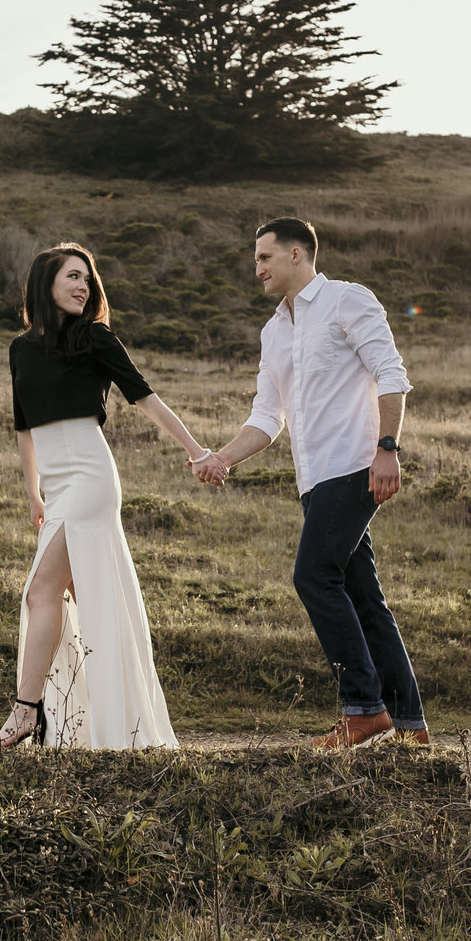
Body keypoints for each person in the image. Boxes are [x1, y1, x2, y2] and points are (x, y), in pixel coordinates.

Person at [191, 217, 427, 749]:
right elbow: (267, 417)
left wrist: (388, 449)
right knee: (363, 595)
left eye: (265, 258)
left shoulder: (348, 300)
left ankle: (364, 709)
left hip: (355, 465)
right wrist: (222, 458)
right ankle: (411, 726)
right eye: (256, 260)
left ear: (297, 254)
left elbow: (392, 375)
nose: (257, 269)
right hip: (314, 480)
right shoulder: (273, 332)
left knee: (313, 576)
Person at [0, 241, 209, 751]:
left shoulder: (95, 338)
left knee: (41, 592)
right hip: (58, 486)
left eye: (87, 278)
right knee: (73, 599)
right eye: (72, 276)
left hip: (90, 476)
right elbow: (24, 428)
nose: (83, 285)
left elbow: (146, 398)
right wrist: (33, 495)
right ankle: (74, 717)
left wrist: (197, 451)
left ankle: (27, 713)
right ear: (45, 284)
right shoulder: (20, 349)